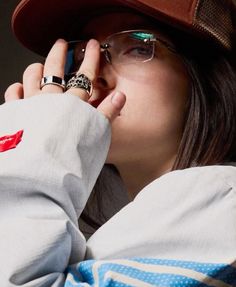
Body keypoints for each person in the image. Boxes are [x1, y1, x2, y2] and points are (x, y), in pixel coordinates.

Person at [0, 0, 236, 286]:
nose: (91, 75)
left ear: (209, 76)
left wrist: (31, 162)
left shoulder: (225, 207)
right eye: (81, 55)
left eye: (137, 46)